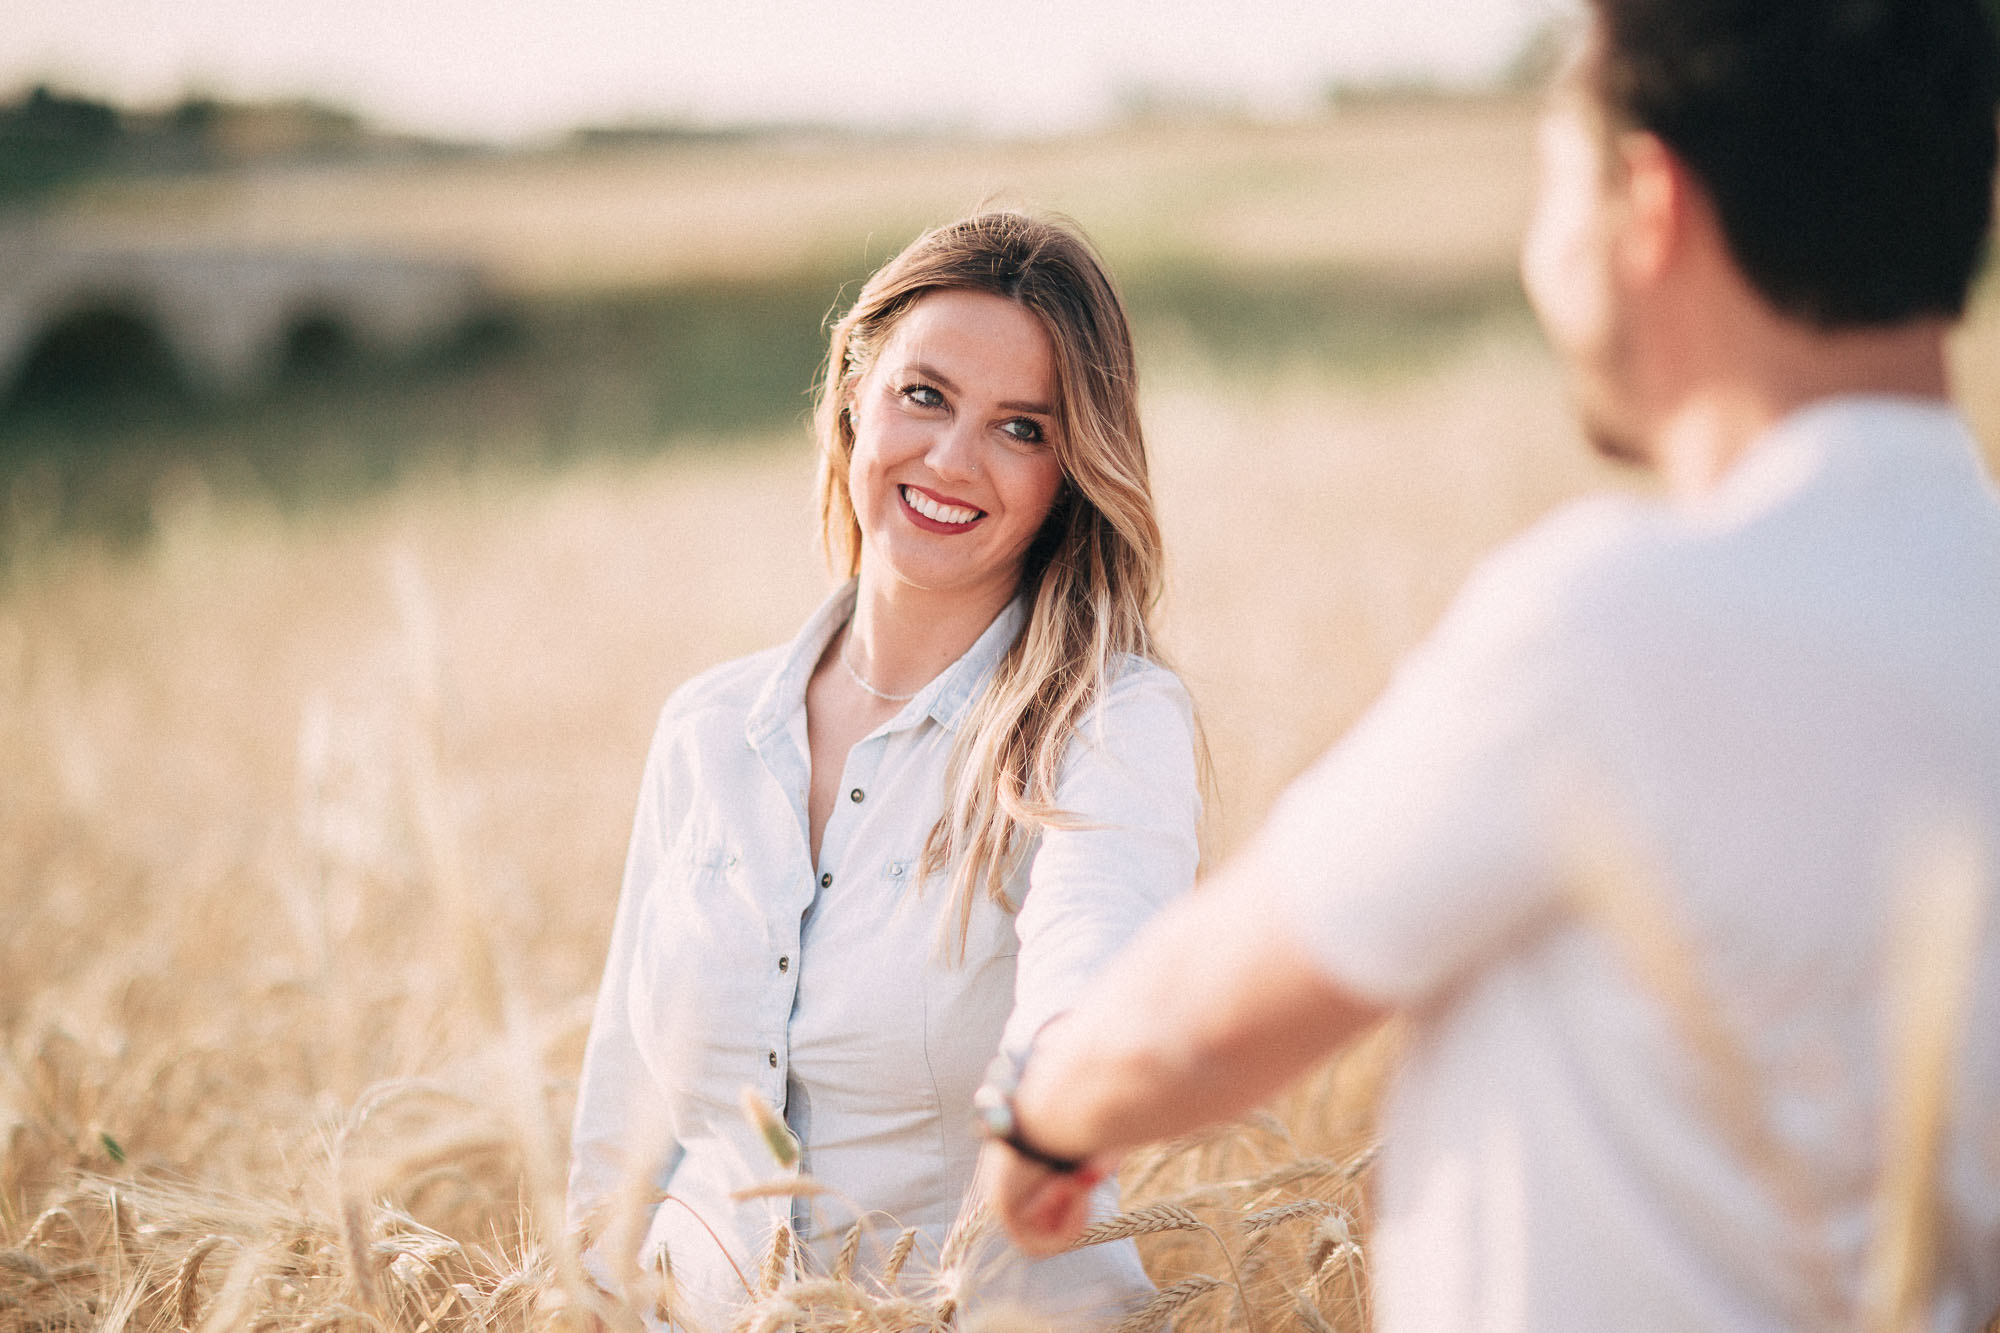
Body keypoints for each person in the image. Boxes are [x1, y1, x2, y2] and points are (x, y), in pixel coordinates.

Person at [984, 2, 2000, 1329]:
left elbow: (1206, 1014)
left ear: (1646, 202)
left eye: (1549, 179)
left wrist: (1044, 1121)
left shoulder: (1611, 628)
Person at [565, 211, 1202, 1330]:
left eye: (1020, 428)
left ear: (1069, 470)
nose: (951, 460)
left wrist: (1050, 1100)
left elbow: (1090, 957)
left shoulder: (1105, 722)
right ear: (852, 392)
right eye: (924, 395)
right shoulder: (707, 732)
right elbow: (622, 1128)